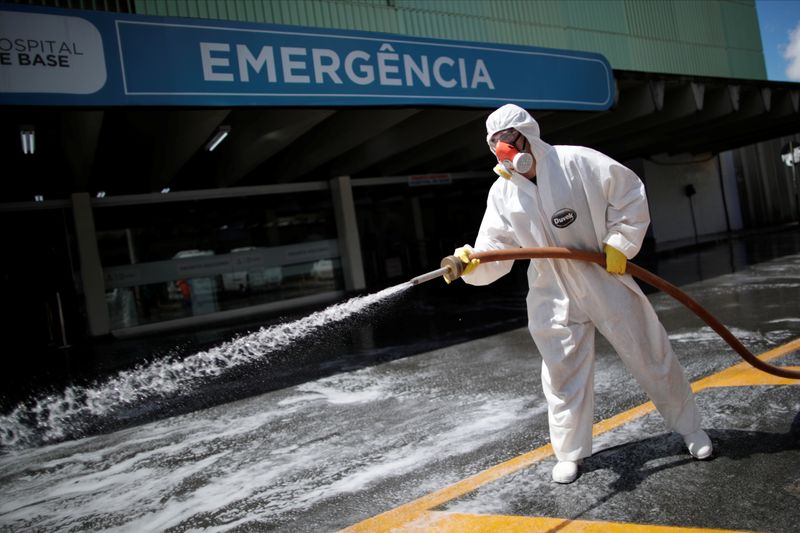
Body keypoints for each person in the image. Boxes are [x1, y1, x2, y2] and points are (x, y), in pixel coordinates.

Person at [453, 103, 712, 484]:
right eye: (495, 144)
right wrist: (473, 263)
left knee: (650, 353)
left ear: (528, 135)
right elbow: (494, 249)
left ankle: (691, 429)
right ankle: (570, 453)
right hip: (551, 291)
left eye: (508, 140)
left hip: (603, 276)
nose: (503, 150)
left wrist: (620, 242)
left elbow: (630, 194)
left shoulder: (577, 162)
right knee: (562, 375)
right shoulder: (503, 193)